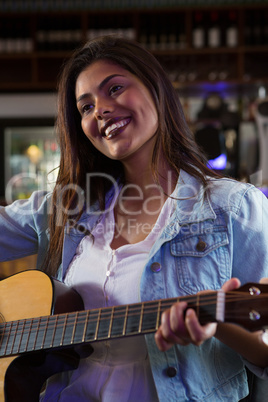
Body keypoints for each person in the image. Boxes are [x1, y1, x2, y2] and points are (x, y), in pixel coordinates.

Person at [1, 35, 268, 401]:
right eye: (85, 107)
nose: (100, 110)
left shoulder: (235, 207)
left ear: (156, 89)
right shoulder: (68, 205)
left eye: (115, 88)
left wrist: (219, 324)